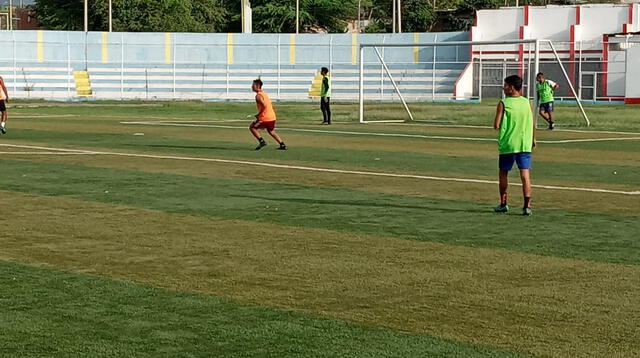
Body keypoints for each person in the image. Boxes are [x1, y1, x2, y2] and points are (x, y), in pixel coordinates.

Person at [493, 75, 536, 216]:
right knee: (525, 175)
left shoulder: (503, 103)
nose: (503, 88)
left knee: (503, 173)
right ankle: (527, 206)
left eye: (505, 85)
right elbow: (532, 123)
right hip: (524, 144)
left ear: (512, 87)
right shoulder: (528, 103)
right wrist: (533, 139)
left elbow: (496, 125)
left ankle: (503, 203)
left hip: (509, 144)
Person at [249, 79, 286, 150]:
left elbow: (264, 105)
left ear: (257, 86)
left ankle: (262, 141)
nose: (251, 87)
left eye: (253, 85)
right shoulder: (264, 94)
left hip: (265, 118)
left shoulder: (258, 96)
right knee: (271, 131)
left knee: (252, 127)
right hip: (272, 117)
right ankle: (282, 144)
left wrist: (258, 114)